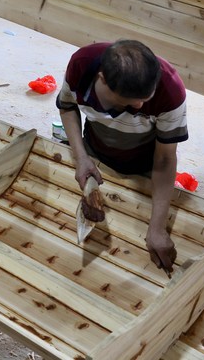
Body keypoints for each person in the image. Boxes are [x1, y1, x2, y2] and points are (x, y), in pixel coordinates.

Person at [56, 40, 188, 274]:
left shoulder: (170, 89)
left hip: (145, 164)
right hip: (94, 151)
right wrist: (81, 157)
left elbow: (165, 160)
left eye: (145, 99)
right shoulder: (82, 65)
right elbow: (67, 107)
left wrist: (157, 228)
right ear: (102, 78)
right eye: (130, 100)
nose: (140, 105)